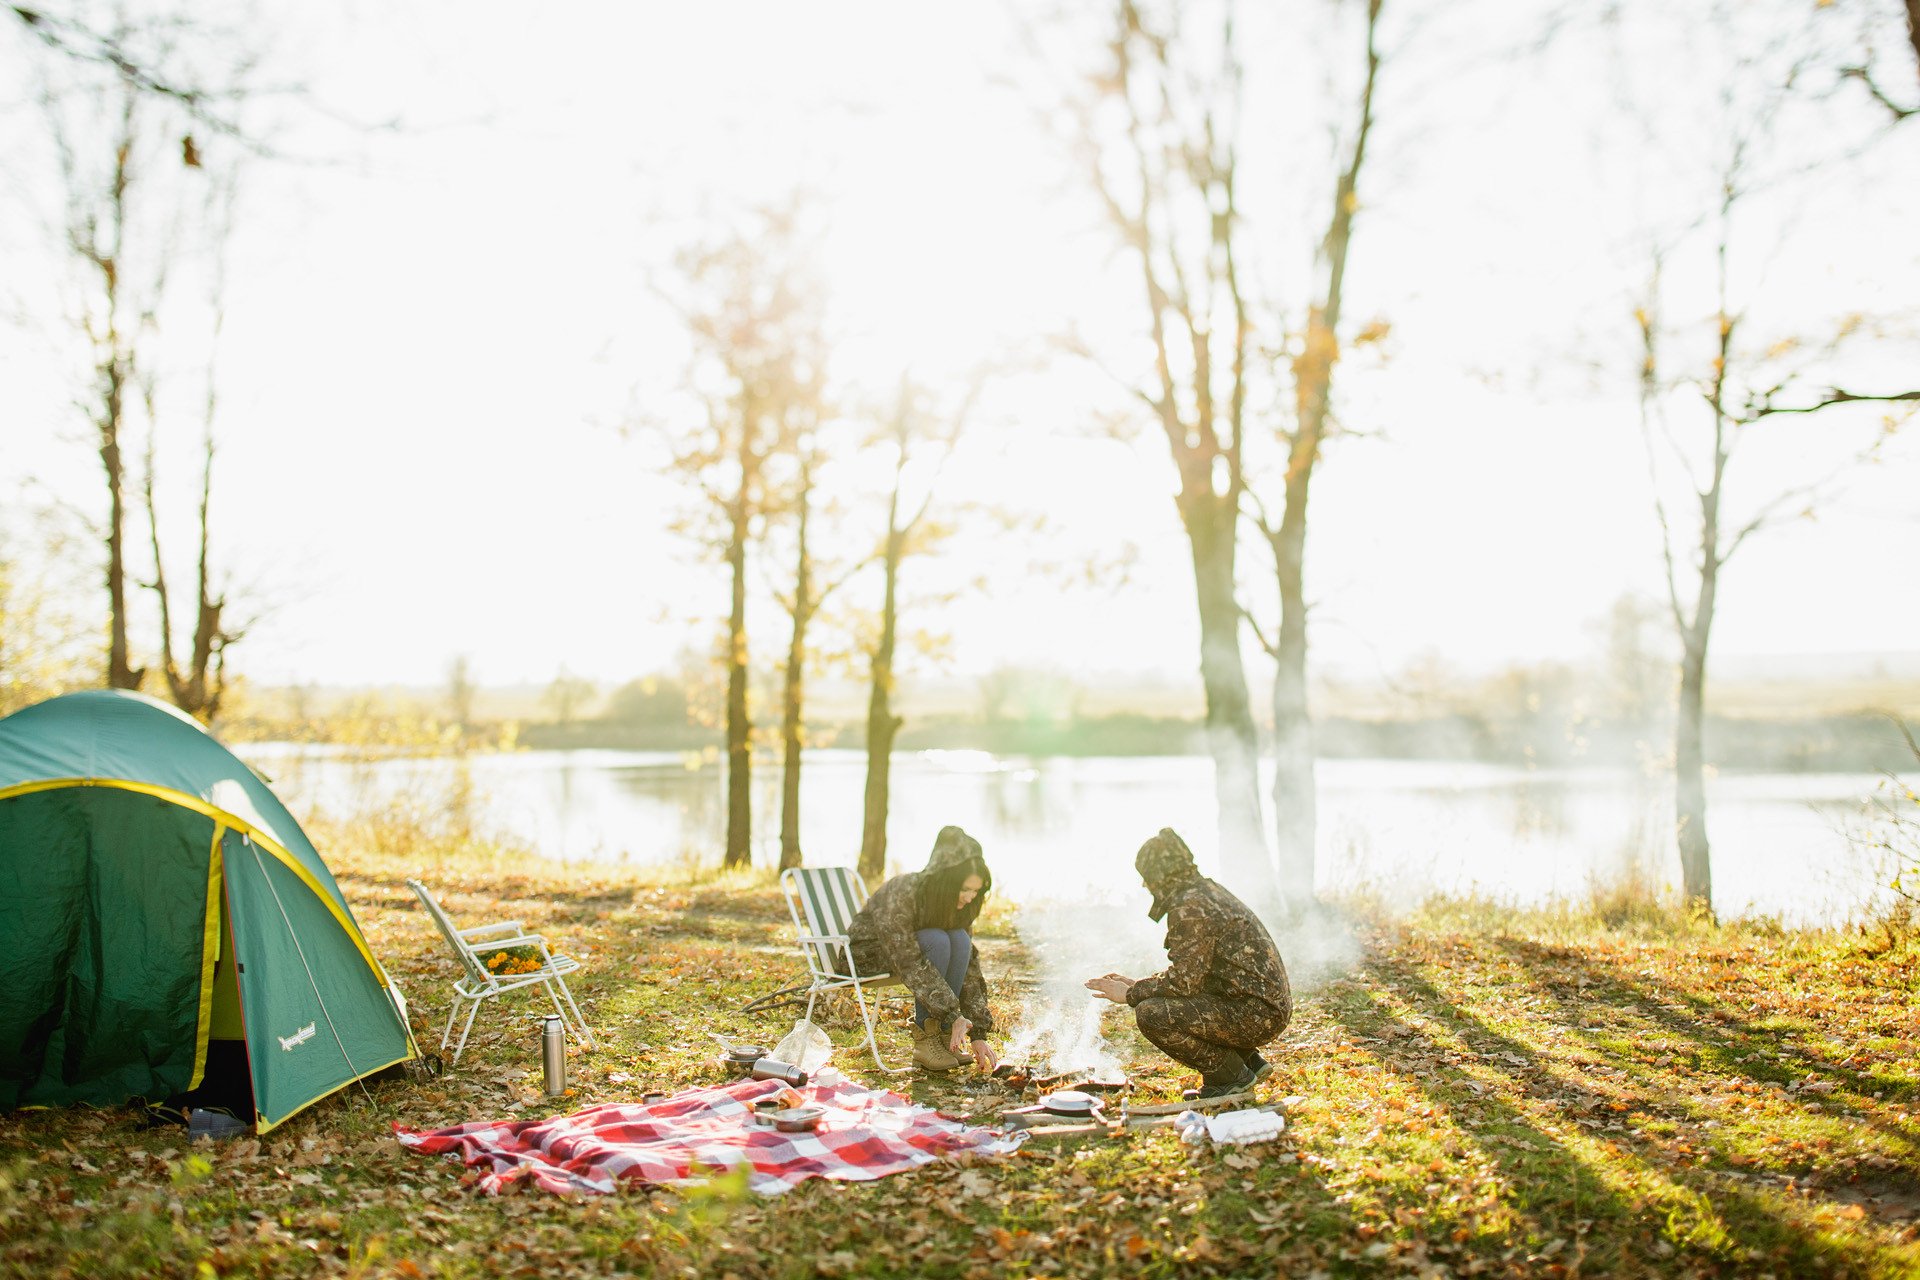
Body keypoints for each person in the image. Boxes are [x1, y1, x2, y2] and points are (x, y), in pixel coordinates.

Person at [1085, 828, 1291, 1099]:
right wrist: (1138, 984)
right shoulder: (1204, 891)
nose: (1145, 886)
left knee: (1151, 1014)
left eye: (1147, 877)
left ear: (1160, 874)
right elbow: (1195, 973)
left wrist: (1132, 994)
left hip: (1257, 1014)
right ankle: (1247, 1061)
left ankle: (1230, 1078)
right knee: (1176, 1002)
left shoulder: (1190, 906)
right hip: (1261, 1006)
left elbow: (1184, 982)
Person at [846, 825, 1002, 1074]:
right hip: (867, 956)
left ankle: (943, 1039)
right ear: (946, 881)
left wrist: (978, 1033)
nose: (970, 897)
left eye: (976, 890)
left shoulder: (956, 906)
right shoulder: (903, 891)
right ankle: (926, 1039)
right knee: (937, 940)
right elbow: (907, 957)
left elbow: (970, 966)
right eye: (965, 889)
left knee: (960, 939)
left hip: (910, 956)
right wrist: (952, 1015)